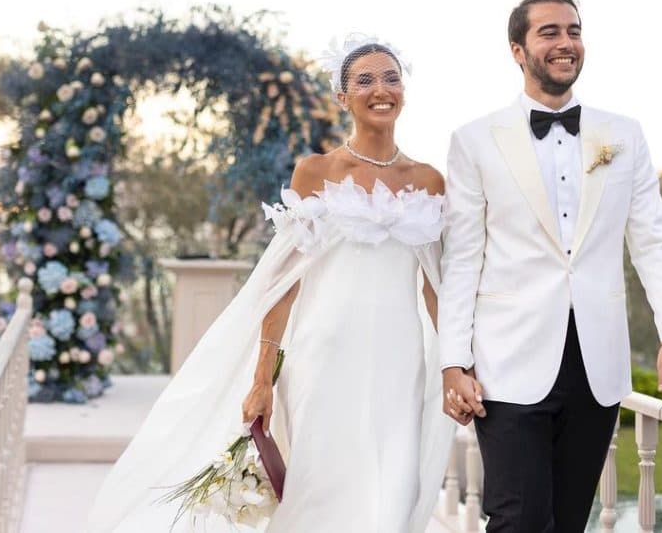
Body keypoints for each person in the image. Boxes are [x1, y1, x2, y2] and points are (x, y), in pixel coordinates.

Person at [88, 35, 455, 532]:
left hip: (400, 359)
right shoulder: (315, 171)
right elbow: (283, 282)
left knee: (393, 489)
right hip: (324, 355)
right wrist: (263, 379)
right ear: (342, 98)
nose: (381, 89)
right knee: (322, 489)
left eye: (391, 78)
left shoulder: (429, 180)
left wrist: (457, 364)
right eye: (364, 80)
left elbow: (436, 286)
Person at [437, 0, 662, 533]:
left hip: (595, 367)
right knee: (519, 519)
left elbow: (652, 240)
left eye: (573, 31)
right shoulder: (474, 140)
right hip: (506, 362)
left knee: (566, 522)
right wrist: (452, 361)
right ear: (518, 49)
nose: (566, 43)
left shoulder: (623, 135)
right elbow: (462, 259)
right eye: (549, 32)